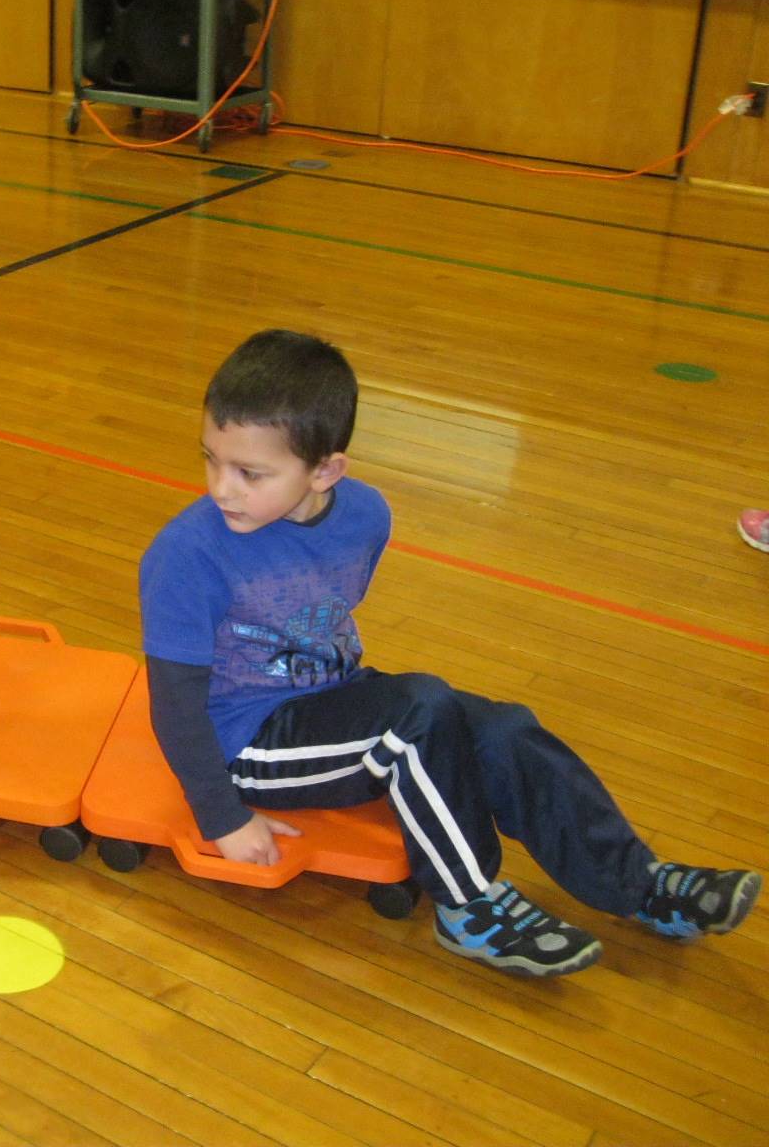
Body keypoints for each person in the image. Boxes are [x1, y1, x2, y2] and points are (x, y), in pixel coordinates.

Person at [139, 329, 760, 978]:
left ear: (326, 470)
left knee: (501, 728)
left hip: (329, 699)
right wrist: (223, 815)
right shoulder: (187, 555)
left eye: (249, 472)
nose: (222, 489)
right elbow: (176, 705)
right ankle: (470, 905)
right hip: (247, 741)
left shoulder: (366, 516)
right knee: (415, 717)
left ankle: (641, 885)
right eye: (210, 459)